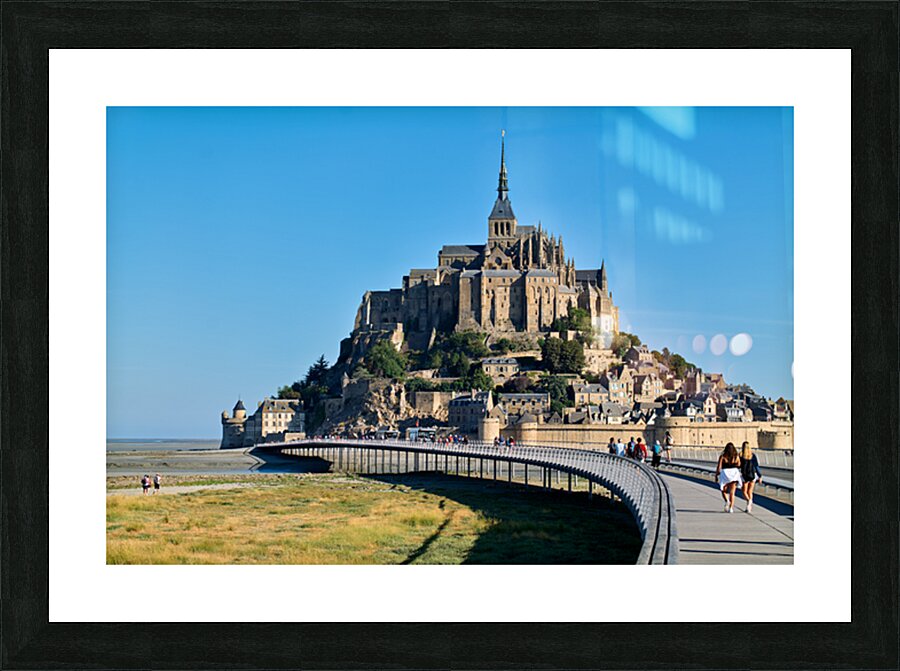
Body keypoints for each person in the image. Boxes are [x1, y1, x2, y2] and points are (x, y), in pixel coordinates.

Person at [715, 442, 743, 513]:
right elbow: (739, 464)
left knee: (723, 489)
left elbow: (719, 467)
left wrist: (716, 475)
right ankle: (731, 508)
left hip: (725, 473)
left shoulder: (723, 456)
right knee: (732, 492)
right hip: (734, 473)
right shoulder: (736, 456)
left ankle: (727, 501)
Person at [739, 441, 762, 512]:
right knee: (750, 492)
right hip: (753, 475)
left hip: (745, 475)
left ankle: (749, 502)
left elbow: (739, 465)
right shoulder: (753, 455)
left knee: (744, 491)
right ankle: (749, 506)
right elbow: (756, 466)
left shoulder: (740, 455)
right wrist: (760, 476)